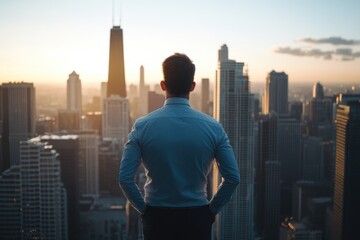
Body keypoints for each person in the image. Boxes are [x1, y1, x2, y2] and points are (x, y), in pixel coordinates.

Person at [119, 53, 240, 240]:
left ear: (163, 85)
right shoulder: (213, 127)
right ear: (192, 86)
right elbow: (233, 178)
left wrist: (145, 211)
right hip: (197, 219)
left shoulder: (142, 126)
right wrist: (209, 212)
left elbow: (125, 178)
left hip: (157, 219)